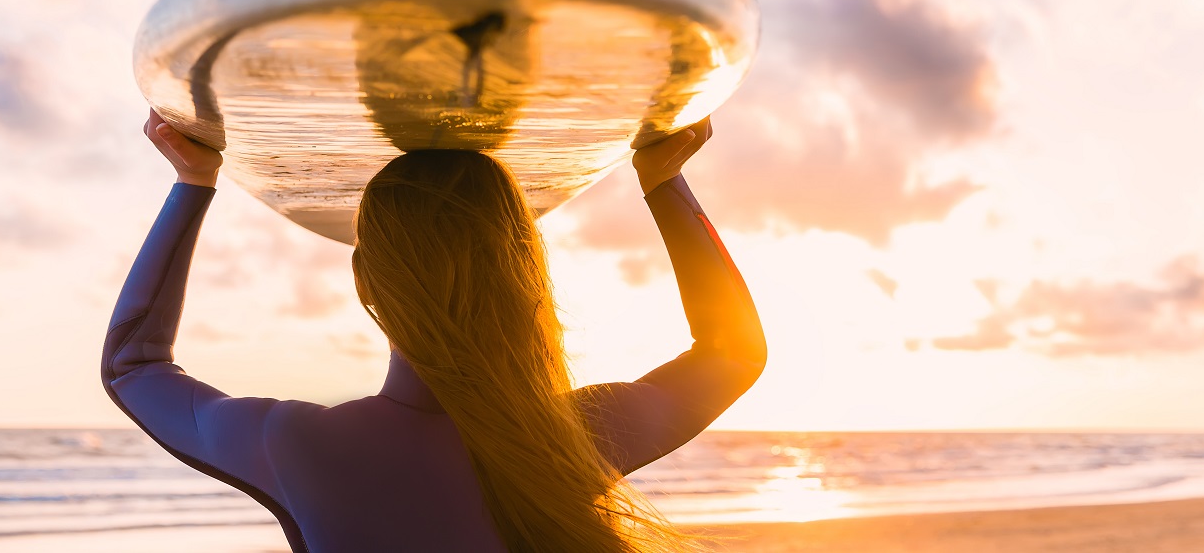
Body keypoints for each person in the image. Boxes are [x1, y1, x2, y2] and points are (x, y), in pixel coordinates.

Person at [103, 109, 766, 552]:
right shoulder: (574, 438)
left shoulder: (294, 444)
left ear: (365, 283)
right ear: (527, 277)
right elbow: (732, 352)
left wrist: (194, 180)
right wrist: (663, 179)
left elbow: (132, 365)